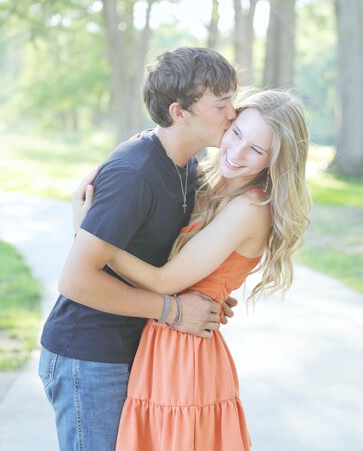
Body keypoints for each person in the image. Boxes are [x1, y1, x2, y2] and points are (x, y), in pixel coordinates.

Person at [73, 89, 312, 450]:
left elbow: (163, 279)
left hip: (185, 353)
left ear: (275, 161)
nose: (237, 152)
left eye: (257, 150)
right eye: (237, 134)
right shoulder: (206, 183)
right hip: (165, 338)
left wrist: (89, 234)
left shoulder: (250, 207)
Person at [38, 47, 239, 451]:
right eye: (221, 104)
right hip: (90, 356)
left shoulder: (187, 167)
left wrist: (198, 296)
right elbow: (75, 281)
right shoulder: (135, 173)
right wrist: (173, 310)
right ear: (179, 112)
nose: (233, 113)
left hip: (136, 348)